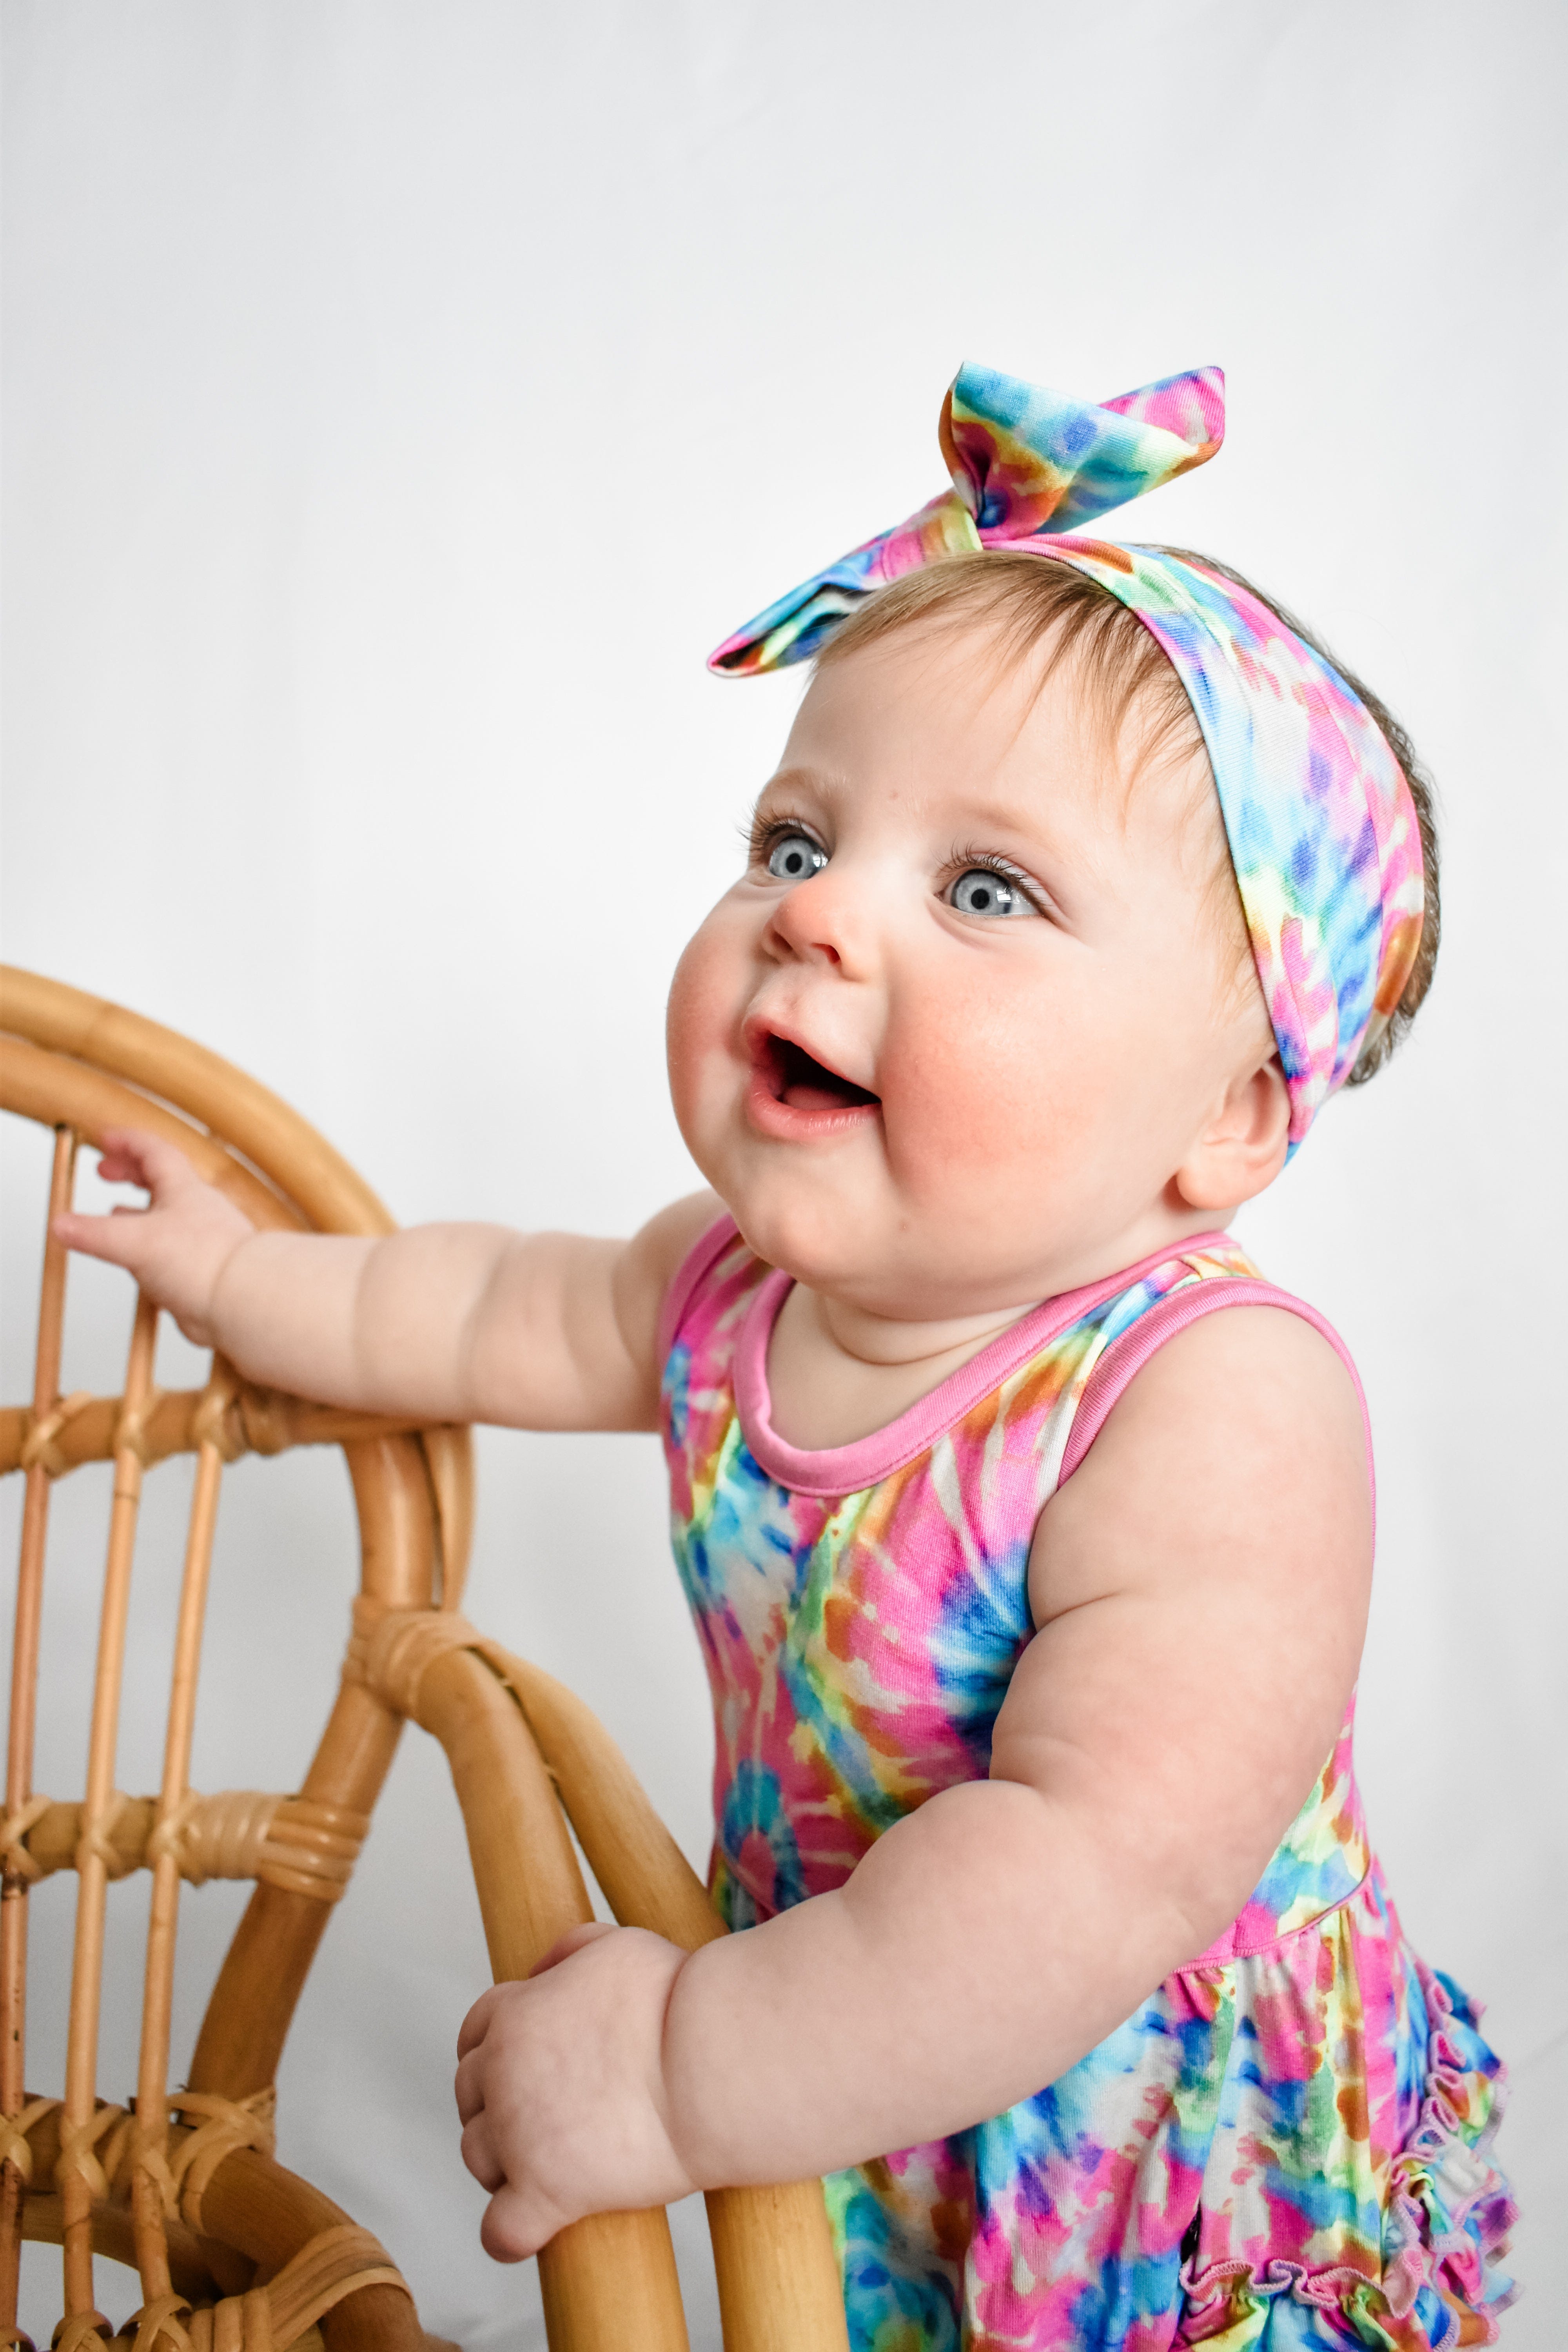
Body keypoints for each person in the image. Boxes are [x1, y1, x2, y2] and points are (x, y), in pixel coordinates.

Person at [57, 363, 1516, 2349]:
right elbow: (487, 1309)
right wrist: (251, 1285)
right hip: (840, 2034)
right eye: (793, 835)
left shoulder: (1207, 1406)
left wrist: (679, 2071)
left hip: (1134, 2167)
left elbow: (1087, 1869)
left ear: (1234, 1120)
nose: (817, 914)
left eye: (983, 887)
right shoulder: (731, 1288)